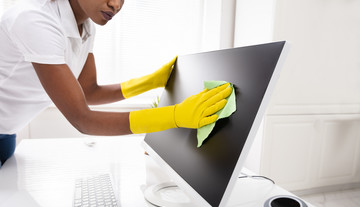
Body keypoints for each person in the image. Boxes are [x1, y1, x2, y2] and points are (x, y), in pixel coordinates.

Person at [0, 0, 232, 166]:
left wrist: (148, 82)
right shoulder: (35, 20)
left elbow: (89, 91)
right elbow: (83, 119)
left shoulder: (86, 27)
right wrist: (174, 116)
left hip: (7, 134)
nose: (116, 5)